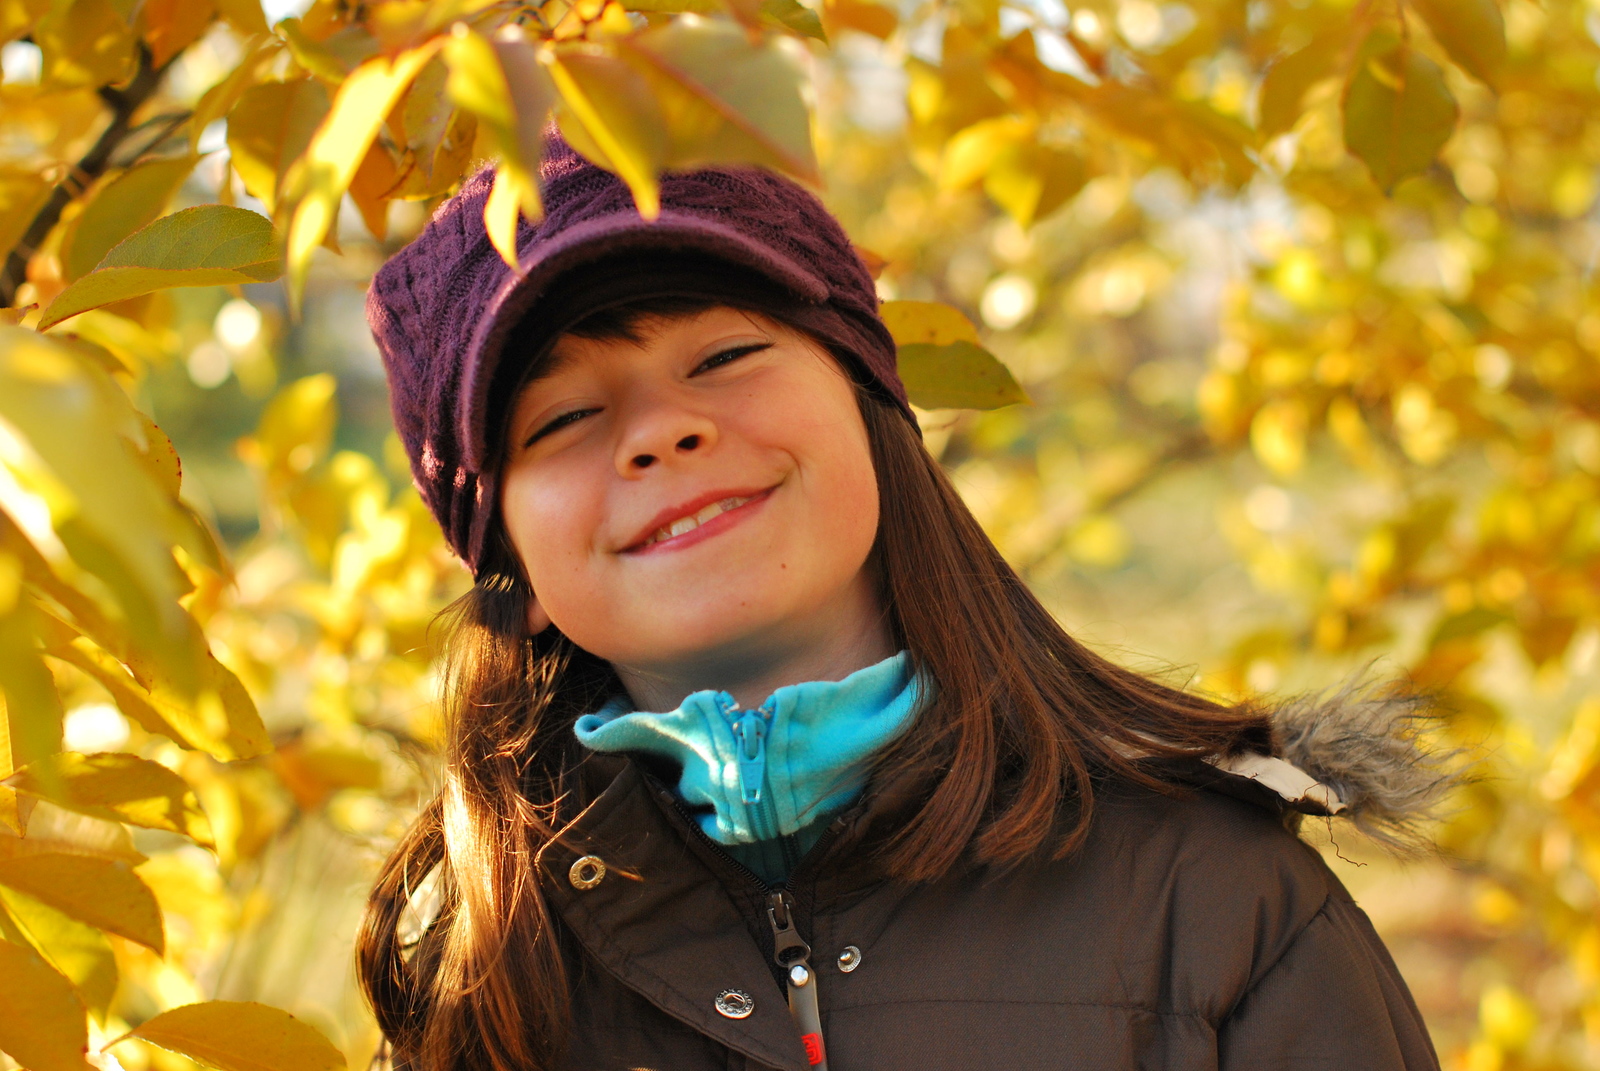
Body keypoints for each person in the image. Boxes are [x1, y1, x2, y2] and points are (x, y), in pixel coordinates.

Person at [357, 136, 1449, 1071]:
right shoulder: (485, 980)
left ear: (873, 410)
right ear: (511, 573)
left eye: (725, 353)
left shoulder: (1214, 905)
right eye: (559, 419)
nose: (661, 429)